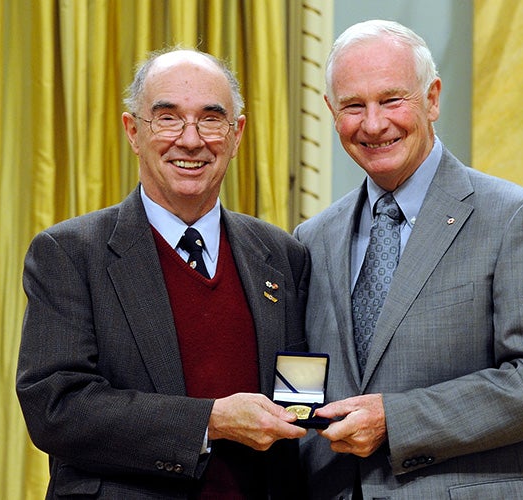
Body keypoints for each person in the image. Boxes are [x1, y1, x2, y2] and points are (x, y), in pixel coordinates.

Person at [294, 20, 523, 499]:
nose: (373, 123)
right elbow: (307, 379)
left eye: (391, 100)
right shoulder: (313, 237)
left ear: (432, 98)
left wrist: (397, 421)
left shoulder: (514, 218)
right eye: (352, 106)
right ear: (330, 111)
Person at [16, 48, 310, 498]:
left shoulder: (282, 254)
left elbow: (298, 391)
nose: (191, 140)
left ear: (236, 134)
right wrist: (209, 421)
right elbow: (55, 407)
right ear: (133, 131)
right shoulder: (70, 254)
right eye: (168, 118)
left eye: (211, 120)